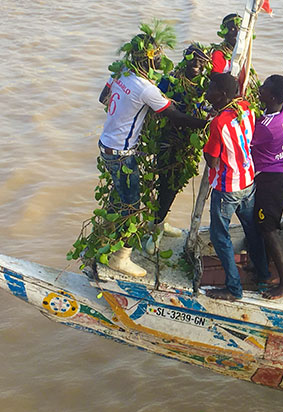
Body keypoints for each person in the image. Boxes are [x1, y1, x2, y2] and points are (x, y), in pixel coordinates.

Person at [97, 27, 206, 277]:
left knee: (119, 198)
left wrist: (125, 110)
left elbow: (104, 98)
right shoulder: (146, 88)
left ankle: (106, 240)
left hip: (106, 144)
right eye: (157, 55)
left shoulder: (121, 72)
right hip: (122, 153)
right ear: (147, 57)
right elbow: (175, 116)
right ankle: (120, 258)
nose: (161, 60)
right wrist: (206, 123)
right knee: (133, 206)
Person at [202, 72, 270, 301]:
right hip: (248, 180)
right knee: (252, 230)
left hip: (227, 187)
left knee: (220, 236)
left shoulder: (218, 123)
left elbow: (212, 160)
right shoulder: (246, 108)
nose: (207, 91)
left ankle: (233, 288)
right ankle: (263, 276)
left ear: (221, 95)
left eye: (211, 88)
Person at [145, 43, 212, 254]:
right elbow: (156, 107)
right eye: (193, 58)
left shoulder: (205, 85)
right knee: (164, 184)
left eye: (201, 61)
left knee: (174, 185)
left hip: (188, 144)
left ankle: (159, 223)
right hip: (167, 140)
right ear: (185, 59)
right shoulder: (170, 80)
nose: (196, 63)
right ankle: (155, 229)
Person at [250, 75, 283, 300]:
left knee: (268, 229)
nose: (260, 88)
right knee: (263, 225)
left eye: (264, 88)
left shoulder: (267, 128)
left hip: (270, 179)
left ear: (273, 97)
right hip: (277, 174)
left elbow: (244, 135)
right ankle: (264, 270)